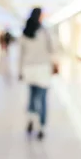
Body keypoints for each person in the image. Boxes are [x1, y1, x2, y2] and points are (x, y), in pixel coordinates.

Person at [19, 8, 57, 141]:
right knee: (42, 98)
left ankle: (30, 119)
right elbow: (53, 48)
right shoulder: (45, 32)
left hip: (29, 69)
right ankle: (41, 127)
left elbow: (21, 54)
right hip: (42, 69)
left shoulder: (25, 32)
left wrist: (20, 71)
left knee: (32, 95)